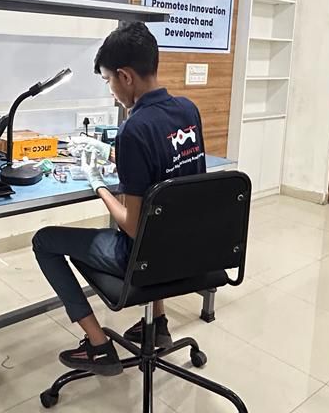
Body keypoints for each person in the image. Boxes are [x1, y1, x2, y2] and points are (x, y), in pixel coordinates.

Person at [32, 21, 207, 376]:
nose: (111, 91)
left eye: (108, 80)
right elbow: (165, 171)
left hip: (144, 257)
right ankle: (157, 324)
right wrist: (113, 154)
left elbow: (132, 227)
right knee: (163, 222)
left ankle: (98, 345)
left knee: (44, 241)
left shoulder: (134, 129)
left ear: (125, 77)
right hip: (191, 250)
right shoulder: (188, 110)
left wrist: (97, 183)